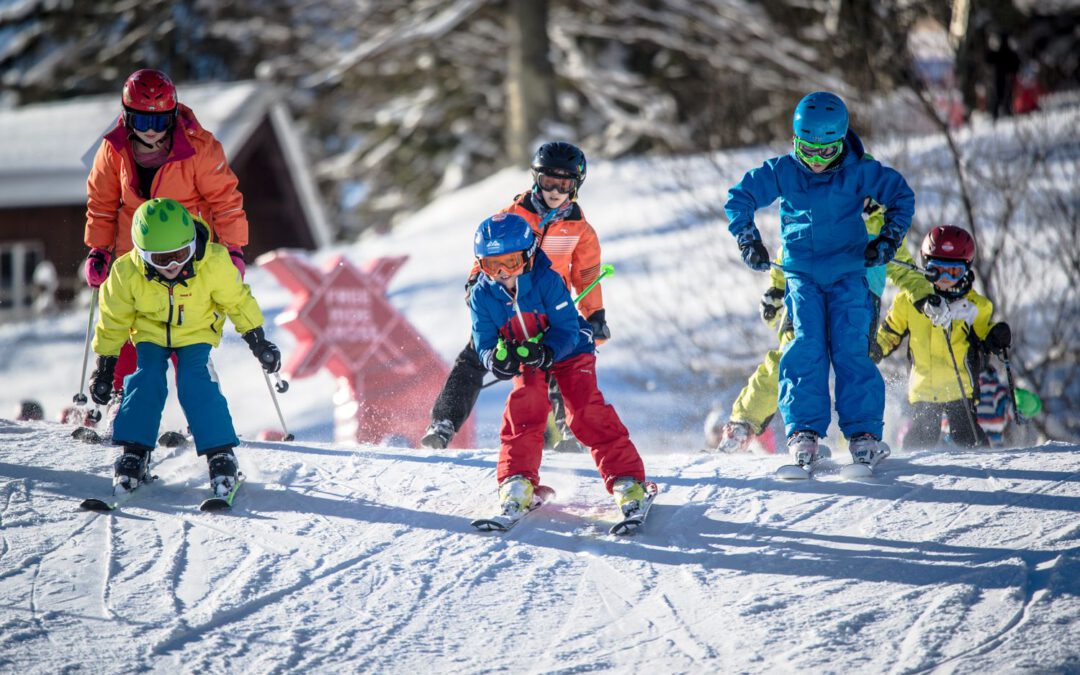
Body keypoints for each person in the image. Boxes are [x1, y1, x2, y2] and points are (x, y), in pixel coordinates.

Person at [724, 91, 915, 468]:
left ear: (840, 144)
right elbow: (739, 197)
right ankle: (804, 431)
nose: (813, 161)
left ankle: (863, 433)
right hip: (802, 278)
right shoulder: (783, 170)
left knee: (851, 350)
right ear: (795, 141)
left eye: (825, 153)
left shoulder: (859, 172)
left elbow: (901, 196)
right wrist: (749, 240)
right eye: (805, 150)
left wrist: (888, 239)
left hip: (849, 276)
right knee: (804, 349)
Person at [422, 141, 610, 452]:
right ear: (536, 179)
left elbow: (586, 275)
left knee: (562, 360)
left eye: (564, 184)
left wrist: (594, 315)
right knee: (474, 357)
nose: (555, 191)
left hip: (551, 307)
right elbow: (488, 252)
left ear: (576, 186)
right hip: (506, 301)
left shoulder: (579, 229)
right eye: (549, 182)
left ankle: (570, 431)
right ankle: (443, 422)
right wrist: (474, 282)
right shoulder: (514, 215)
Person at [88, 198, 280, 495]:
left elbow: (238, 302)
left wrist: (259, 341)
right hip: (150, 335)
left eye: (181, 254)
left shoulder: (214, 263)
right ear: (142, 254)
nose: (174, 265)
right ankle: (135, 451)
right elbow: (112, 321)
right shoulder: (126, 274)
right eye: (162, 259)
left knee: (195, 381)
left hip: (196, 332)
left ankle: (220, 453)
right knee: (145, 378)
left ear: (193, 244)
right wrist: (104, 368)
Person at [82, 68, 250, 408]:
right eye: (142, 122)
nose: (151, 133)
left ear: (172, 117)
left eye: (160, 123)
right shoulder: (113, 150)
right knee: (127, 323)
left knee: (186, 328)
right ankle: (117, 397)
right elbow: (101, 205)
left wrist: (234, 249)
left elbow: (226, 201)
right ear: (128, 118)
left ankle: (203, 406)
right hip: (135, 256)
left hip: (187, 254)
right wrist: (98, 250)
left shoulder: (199, 148)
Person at [712, 201, 934, 453]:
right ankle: (744, 425)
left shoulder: (880, 227)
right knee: (788, 359)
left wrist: (926, 295)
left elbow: (905, 270)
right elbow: (789, 252)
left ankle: (858, 438)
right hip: (807, 296)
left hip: (858, 304)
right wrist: (776, 288)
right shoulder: (815, 210)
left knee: (853, 368)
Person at [468, 212, 648, 519]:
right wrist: (497, 360)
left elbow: (567, 328)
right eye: (490, 265)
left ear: (527, 256)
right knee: (525, 404)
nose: (500, 273)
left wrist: (547, 351)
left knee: (582, 409)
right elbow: (483, 341)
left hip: (569, 348)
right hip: (526, 353)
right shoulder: (482, 295)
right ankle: (517, 480)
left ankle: (627, 480)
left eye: (509, 263)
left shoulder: (547, 280)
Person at [875, 225, 1009, 449]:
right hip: (922, 390)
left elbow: (985, 333)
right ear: (926, 267)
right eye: (938, 271)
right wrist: (874, 349)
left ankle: (985, 466)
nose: (946, 279)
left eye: (954, 272)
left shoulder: (974, 306)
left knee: (968, 437)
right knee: (919, 440)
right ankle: (911, 477)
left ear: (966, 269)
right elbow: (890, 333)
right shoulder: (909, 301)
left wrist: (996, 335)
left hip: (960, 390)